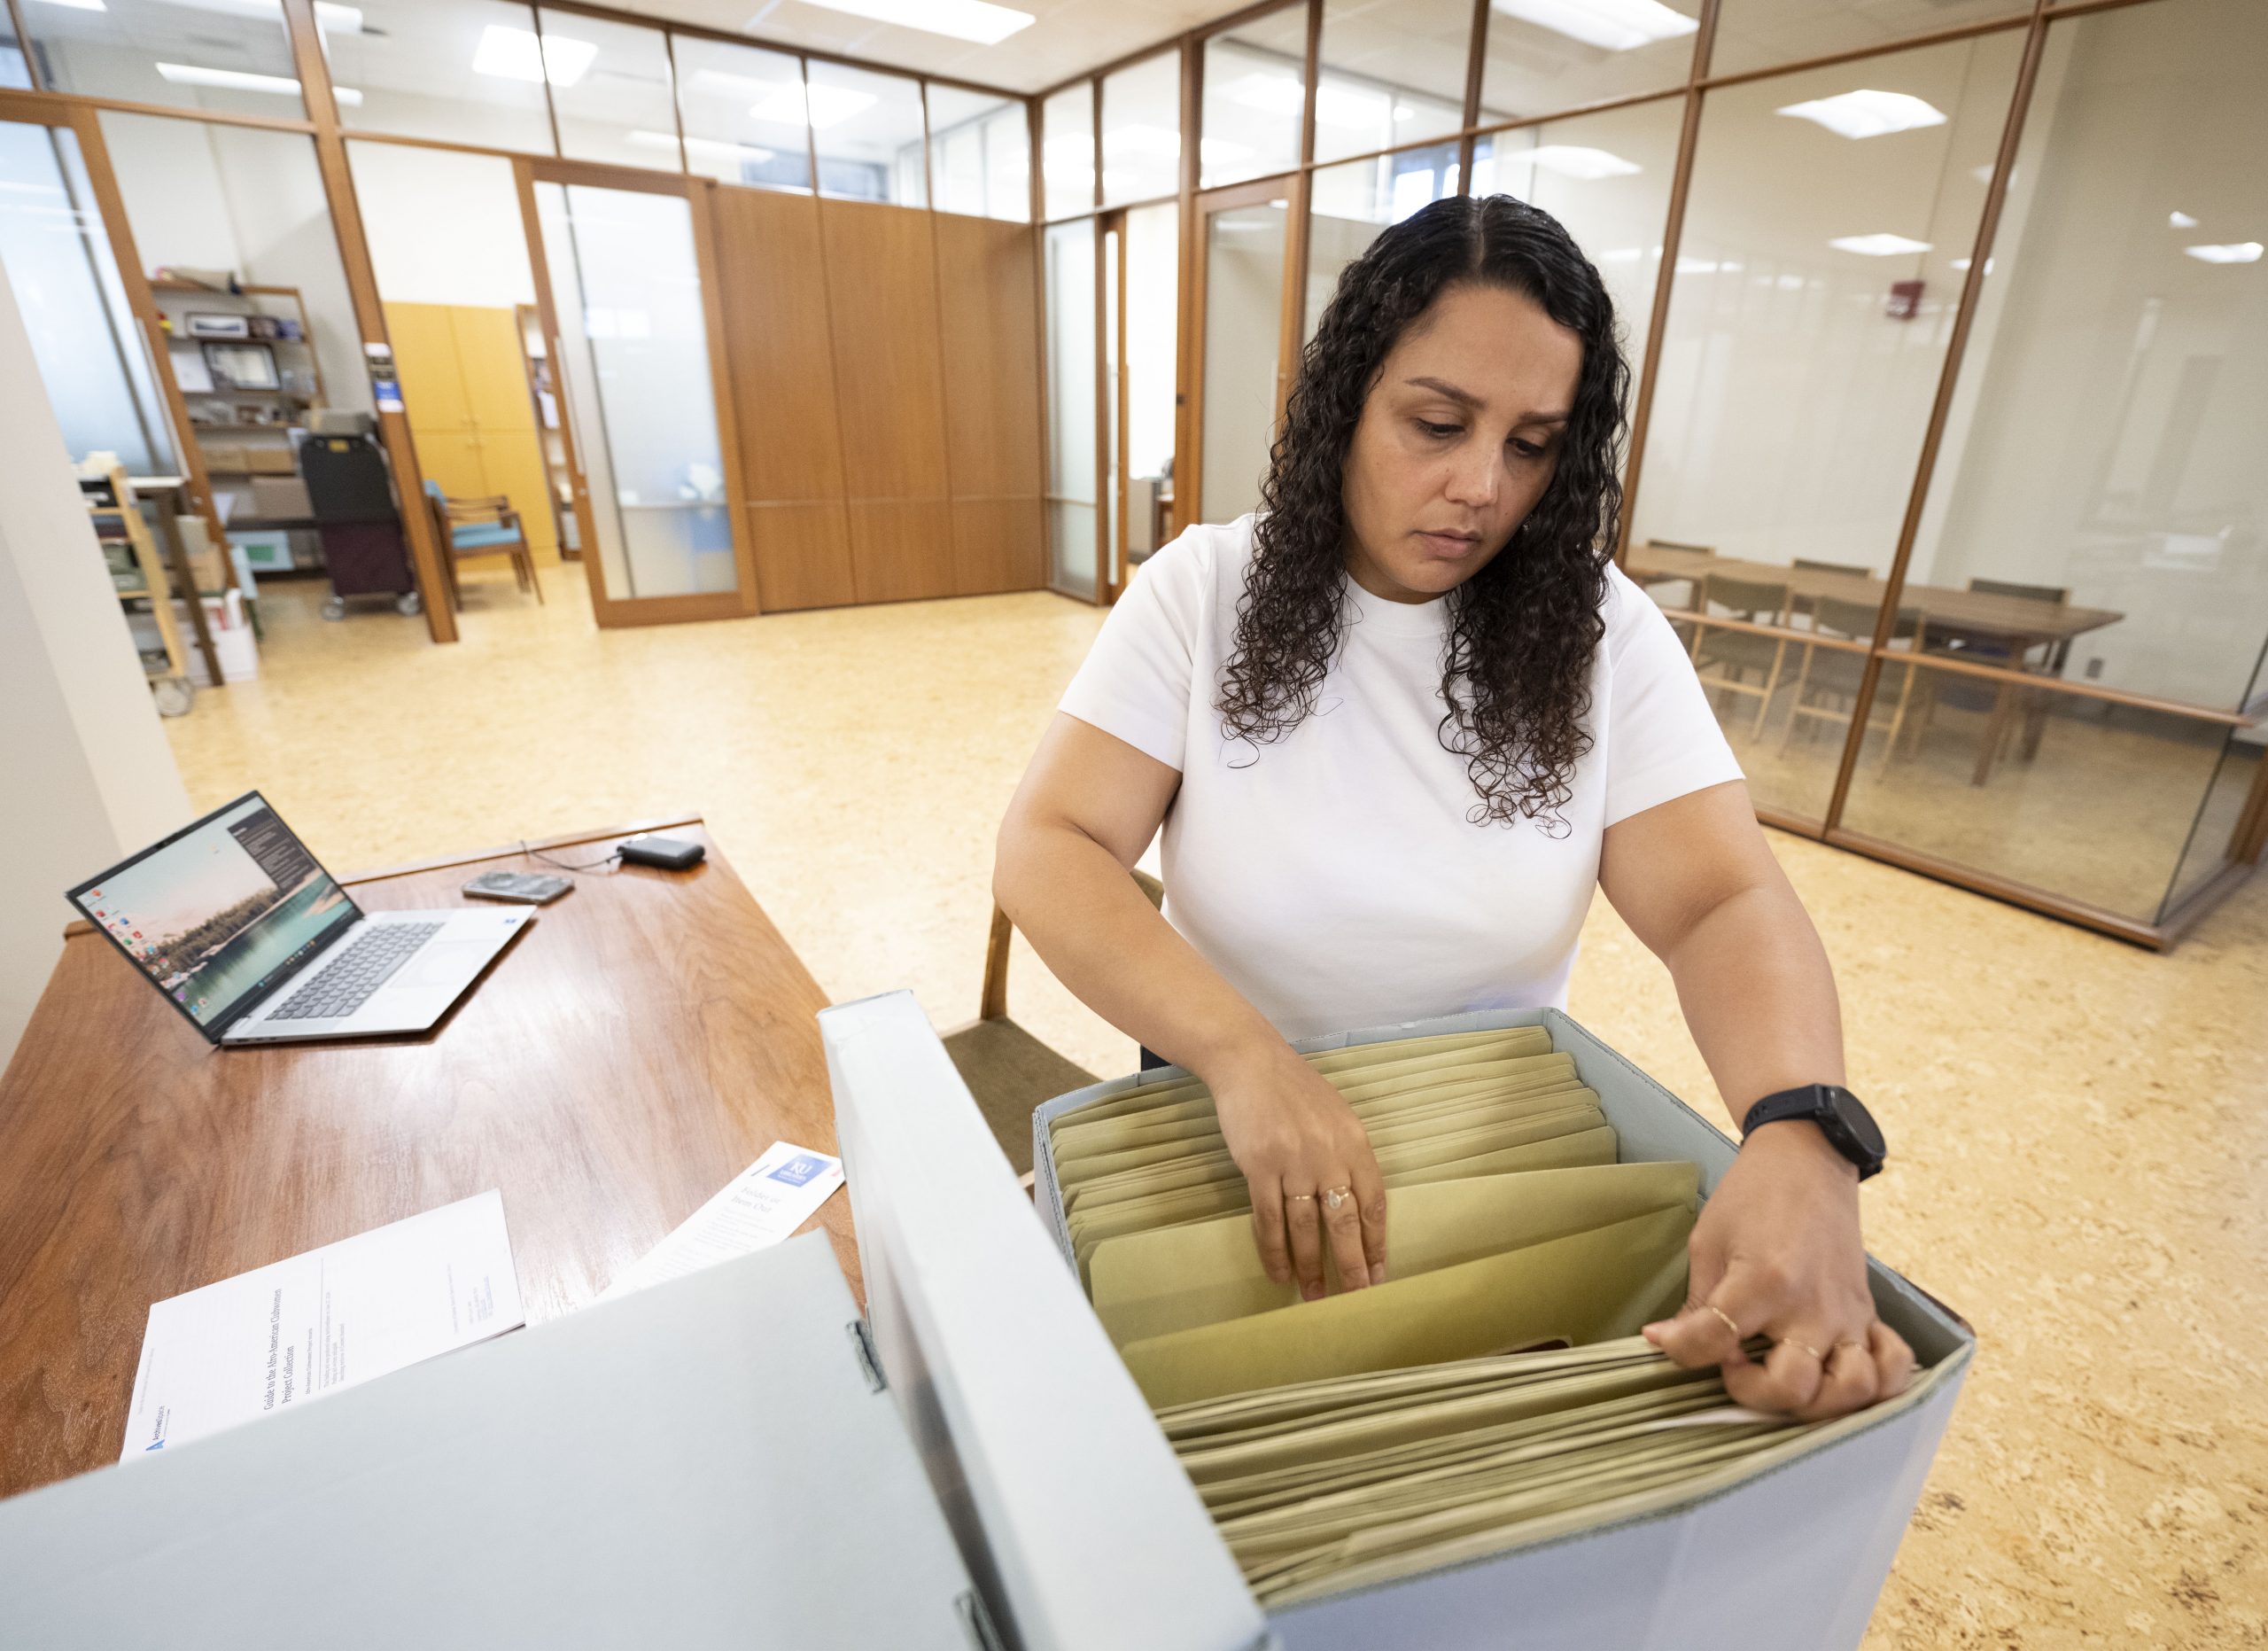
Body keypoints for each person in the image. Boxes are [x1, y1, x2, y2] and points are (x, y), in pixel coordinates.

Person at [993, 195, 1911, 1421]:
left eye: (1531, 445)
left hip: (1488, 1148)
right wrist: (1243, 1054)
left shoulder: (1597, 636)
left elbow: (1719, 901)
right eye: (1436, 423)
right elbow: (1051, 848)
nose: (1478, 486)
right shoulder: (1203, 593)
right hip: (1226, 1112)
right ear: (1346, 400)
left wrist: (1803, 1129)